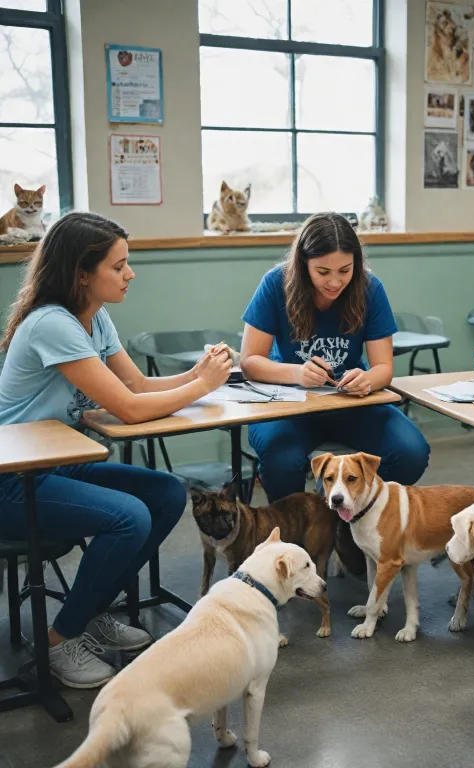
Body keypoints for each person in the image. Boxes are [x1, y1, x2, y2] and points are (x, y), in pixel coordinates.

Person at [0, 212, 232, 688]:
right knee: (129, 517)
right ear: (81, 273)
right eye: (119, 265)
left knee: (166, 494)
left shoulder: (94, 316)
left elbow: (139, 384)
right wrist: (201, 385)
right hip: (13, 479)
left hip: (59, 466)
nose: (130, 274)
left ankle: (87, 610)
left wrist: (198, 375)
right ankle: (62, 641)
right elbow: (128, 408)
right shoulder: (52, 324)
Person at [240, 211, 430, 502]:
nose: (335, 282)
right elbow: (250, 361)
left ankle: (345, 516)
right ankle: (296, 536)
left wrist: (366, 379)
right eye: (323, 272)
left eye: (345, 270)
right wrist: (296, 373)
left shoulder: (369, 287)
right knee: (282, 463)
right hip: (288, 404)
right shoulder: (275, 284)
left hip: (349, 402)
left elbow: (384, 368)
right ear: (303, 264)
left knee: (411, 453)